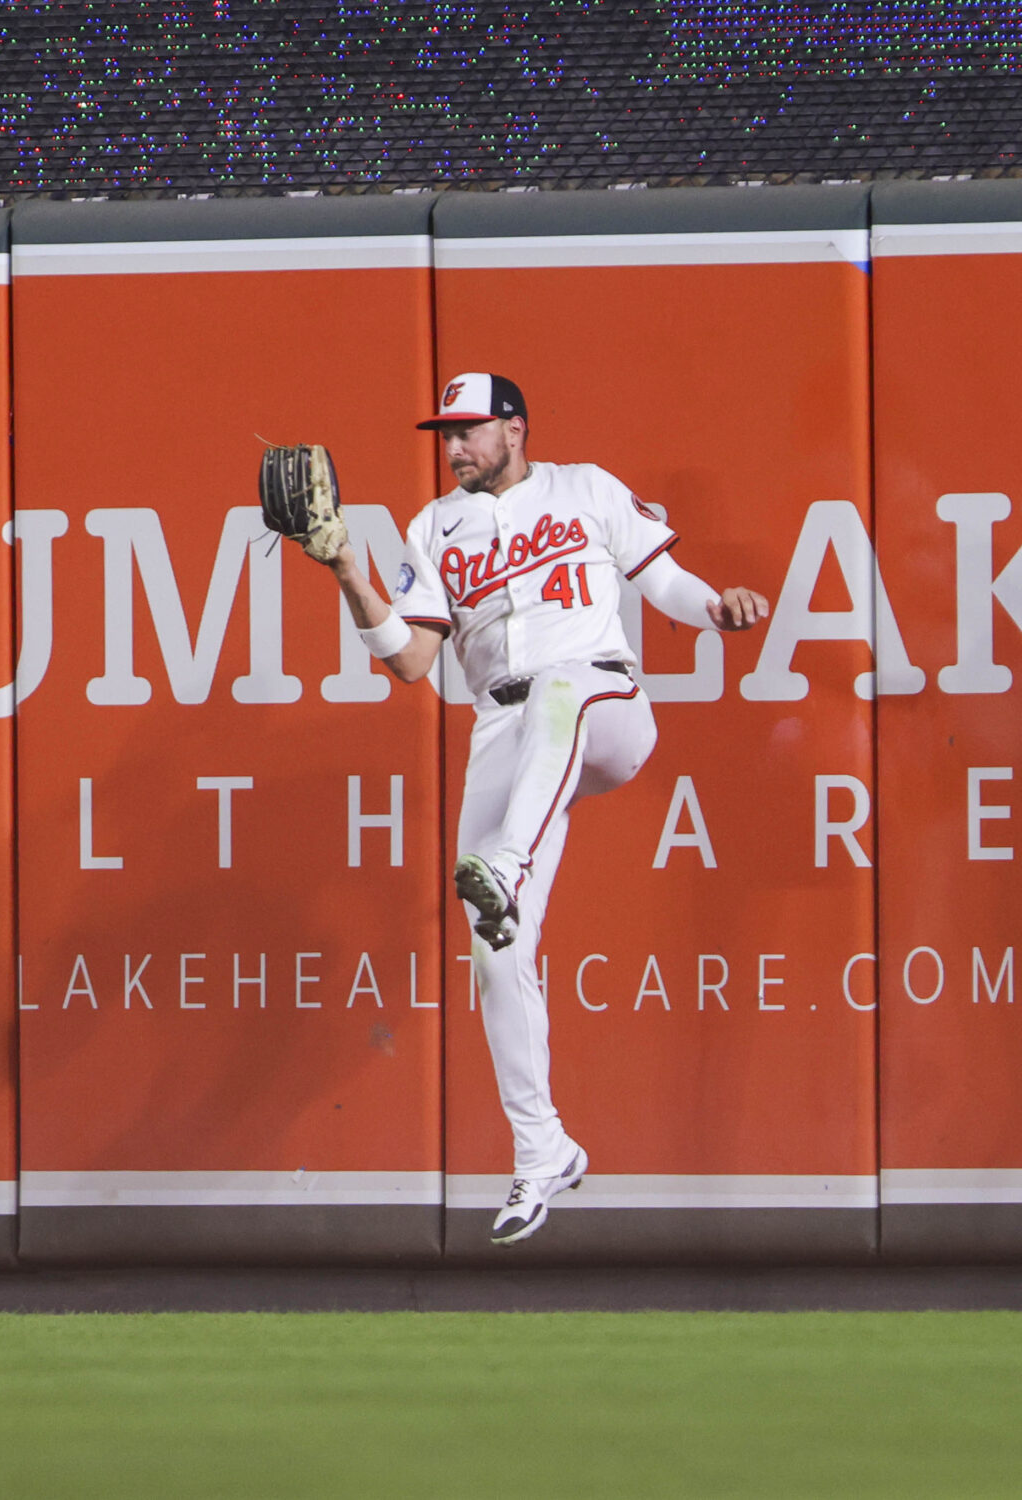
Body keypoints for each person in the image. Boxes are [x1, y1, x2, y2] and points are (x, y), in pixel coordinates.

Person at [299, 372, 768, 1244]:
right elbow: (409, 661)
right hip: (503, 730)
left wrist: (715, 608)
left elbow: (661, 583)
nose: (453, 447)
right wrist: (343, 569)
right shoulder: (435, 525)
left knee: (560, 690)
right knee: (493, 950)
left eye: (469, 431)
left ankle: (507, 866)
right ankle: (539, 1151)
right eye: (447, 433)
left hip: (607, 707)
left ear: (514, 429)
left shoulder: (583, 488)